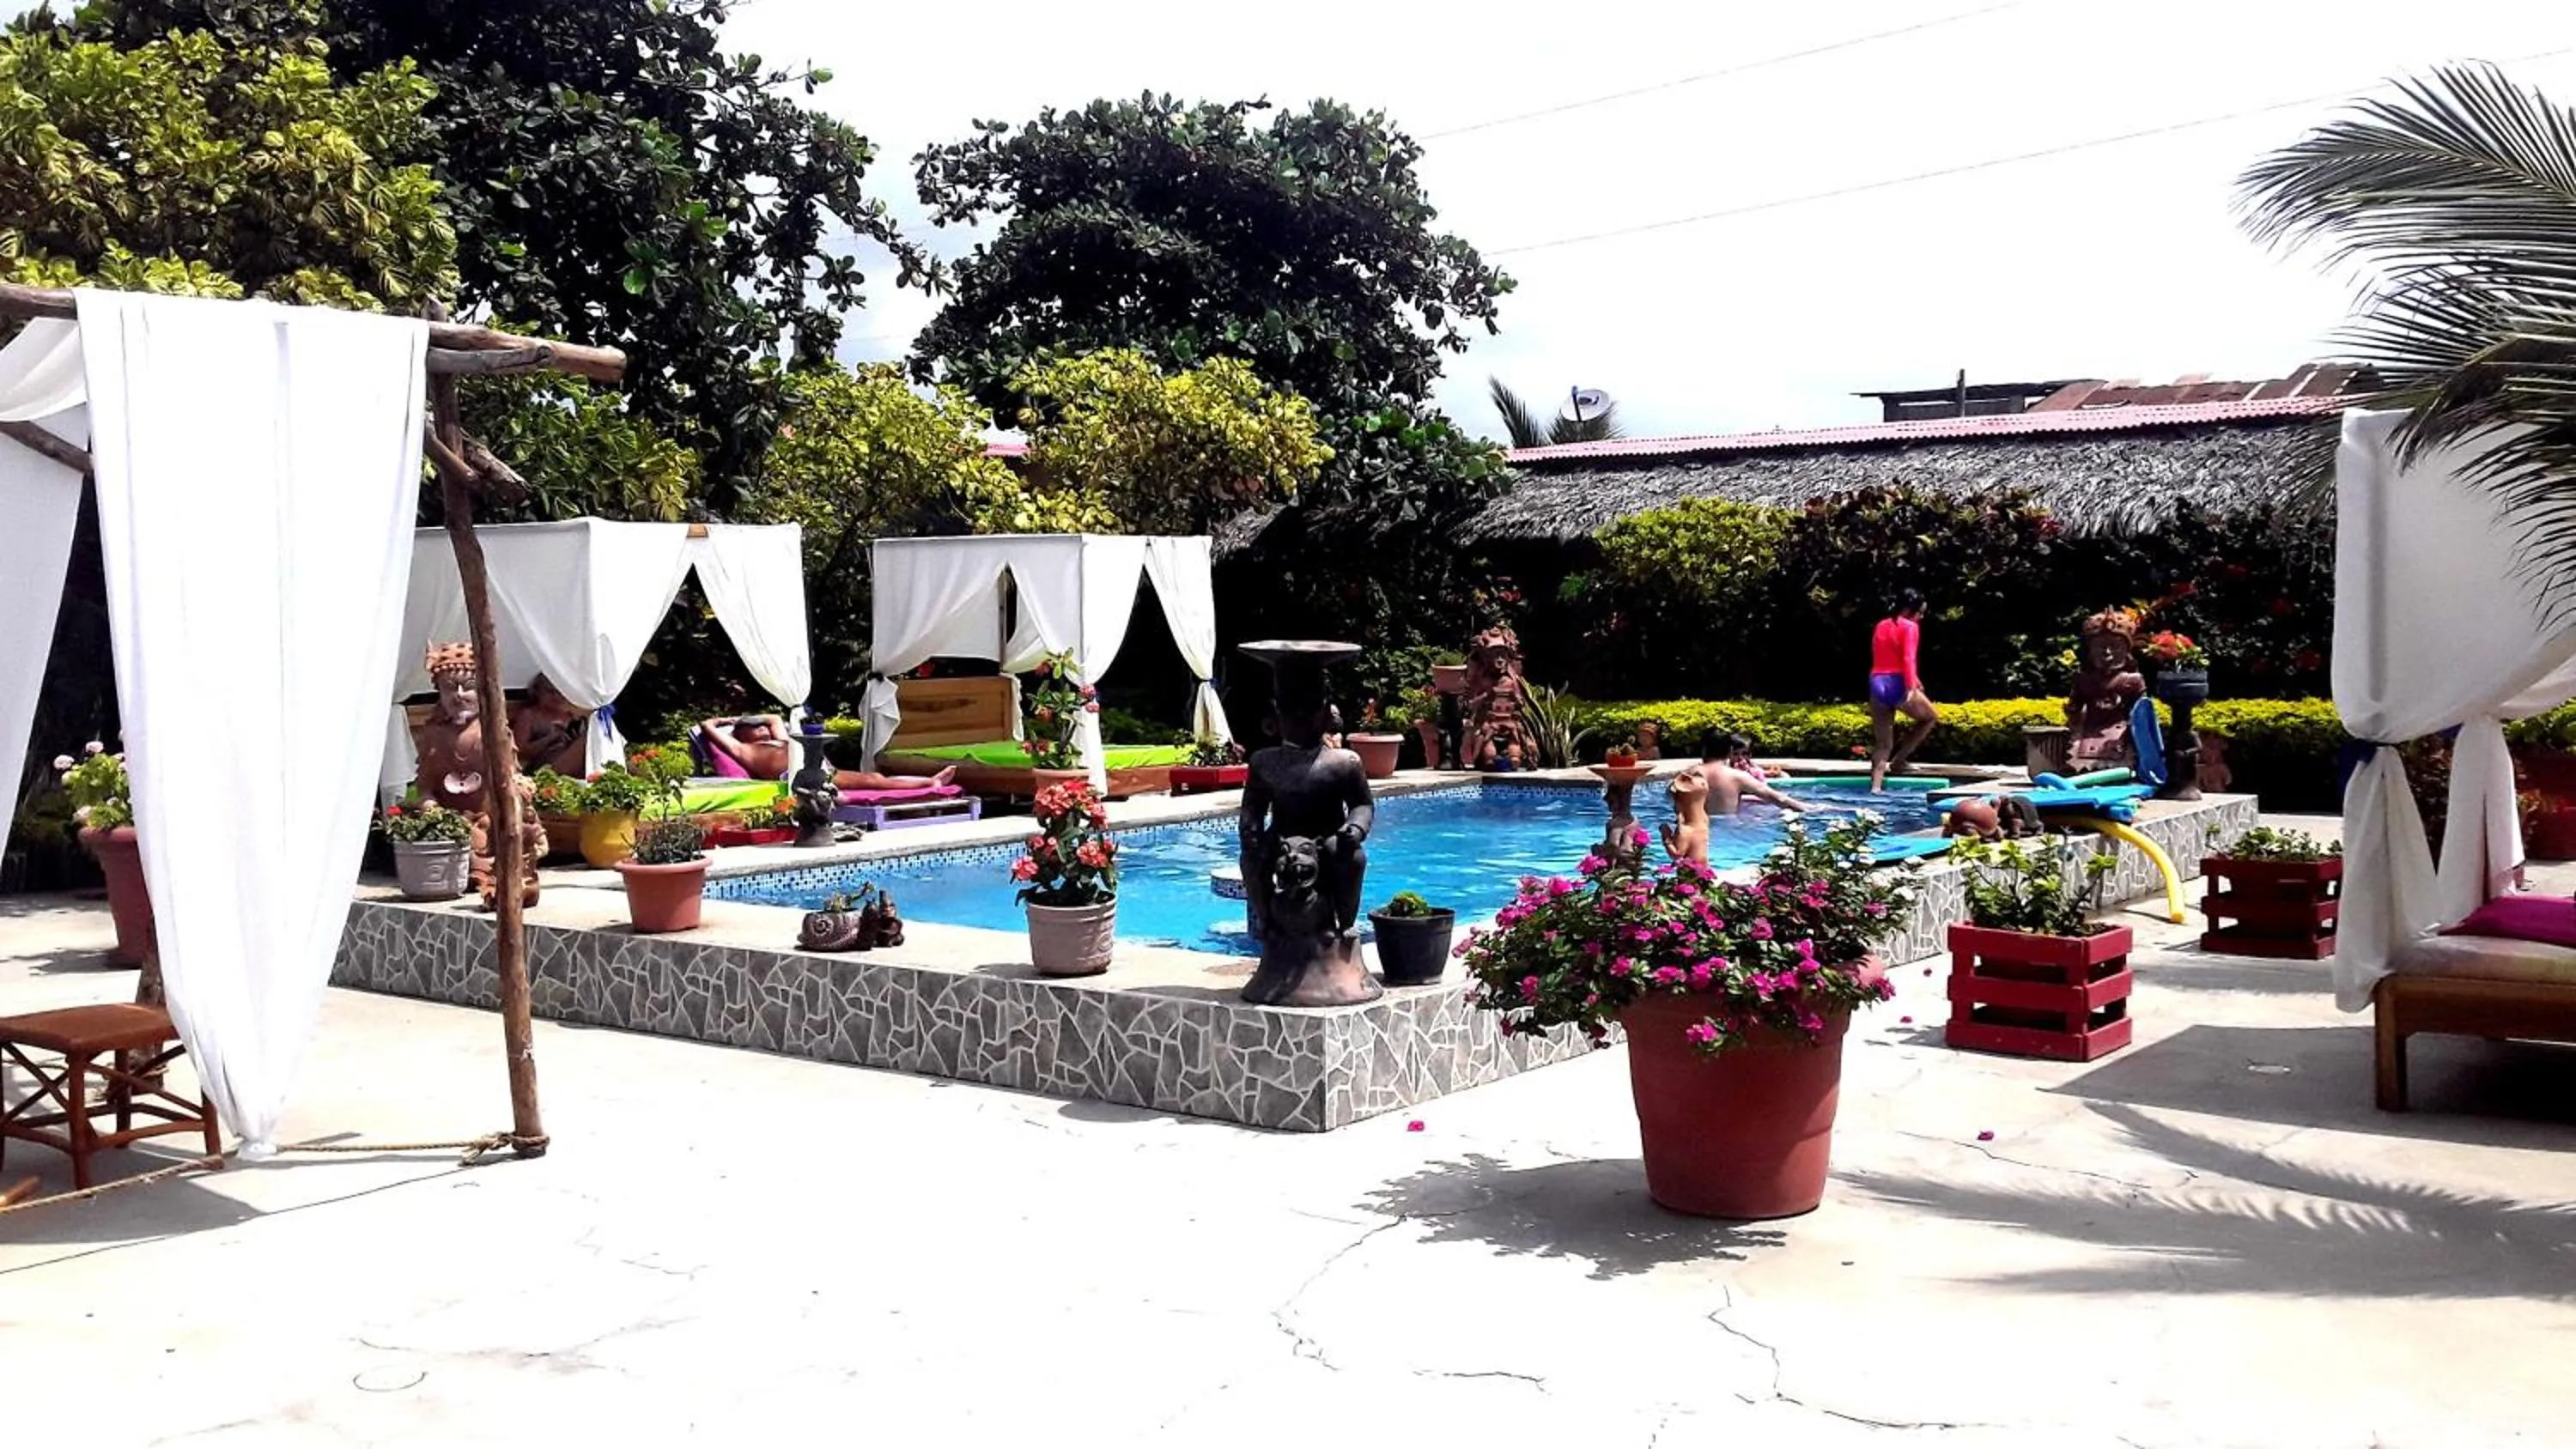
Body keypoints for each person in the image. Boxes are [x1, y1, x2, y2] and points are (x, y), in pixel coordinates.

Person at [698, 714, 957, 792]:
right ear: (743, 734)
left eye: (763, 727)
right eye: (757, 728)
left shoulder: (778, 741)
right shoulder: (745, 750)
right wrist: (726, 721)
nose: (764, 729)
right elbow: (705, 726)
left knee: (874, 778)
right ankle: (930, 782)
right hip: (806, 778)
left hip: (820, 769)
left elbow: (775, 717)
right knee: (874, 780)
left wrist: (748, 718)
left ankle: (929, 781)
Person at [1868, 589, 1940, 793]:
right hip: (1898, 682)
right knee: (1930, 718)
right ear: (1909, 610)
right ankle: (1899, 761)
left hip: (1877, 681)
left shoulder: (1881, 624)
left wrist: (1915, 680)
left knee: (1883, 743)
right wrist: (1910, 686)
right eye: (1920, 612)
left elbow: (1883, 657)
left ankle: (1875, 788)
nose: (1921, 617)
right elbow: (1908, 658)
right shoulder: (1910, 627)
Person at [1699, 733, 1804, 816]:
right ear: (1730, 751)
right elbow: (1780, 799)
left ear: (1703, 750)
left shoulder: (1692, 774)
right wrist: (1809, 809)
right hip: (1729, 828)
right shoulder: (1738, 776)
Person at [512, 674, 589, 778]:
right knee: (585, 740)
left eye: (560, 692)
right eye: (550, 692)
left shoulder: (574, 716)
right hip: (544, 769)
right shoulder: (529, 715)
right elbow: (519, 752)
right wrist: (550, 738)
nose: (556, 696)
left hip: (574, 766)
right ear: (538, 692)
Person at [1659, 766, 1711, 867]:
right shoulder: (1704, 820)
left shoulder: (1685, 829)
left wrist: (1666, 836)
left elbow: (1677, 854)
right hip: (1705, 870)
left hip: (1690, 874)